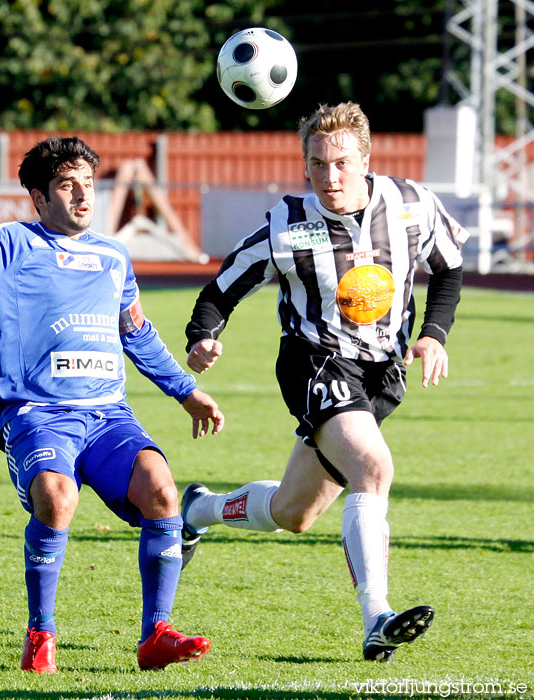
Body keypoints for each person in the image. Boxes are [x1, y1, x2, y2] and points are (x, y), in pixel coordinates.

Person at [0, 136, 224, 673]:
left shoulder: (113, 256)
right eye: (67, 185)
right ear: (38, 198)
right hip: (38, 415)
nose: (83, 195)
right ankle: (41, 636)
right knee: (57, 499)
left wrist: (185, 390)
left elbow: (136, 333)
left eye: (88, 183)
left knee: (160, 487)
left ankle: (155, 635)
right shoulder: (12, 244)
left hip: (108, 417)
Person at [180, 102, 467, 663]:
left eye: (340, 164)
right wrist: (203, 335)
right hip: (315, 360)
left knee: (294, 512)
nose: (329, 178)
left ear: (365, 158)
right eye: (316, 164)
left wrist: (433, 333)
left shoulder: (411, 204)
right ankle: (377, 615)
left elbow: (450, 267)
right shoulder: (287, 221)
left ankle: (198, 511)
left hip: (381, 375)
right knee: (373, 467)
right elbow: (223, 287)